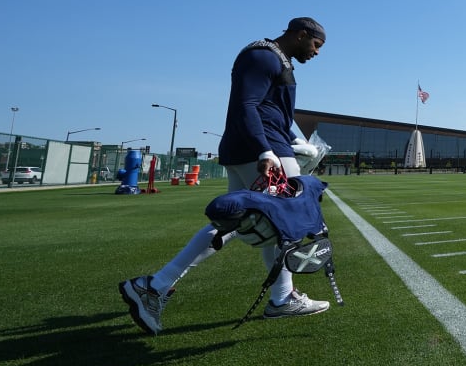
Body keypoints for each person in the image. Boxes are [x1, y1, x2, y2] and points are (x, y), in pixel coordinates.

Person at [120, 17, 329, 335]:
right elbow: (247, 105)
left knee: (234, 223)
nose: (316, 53)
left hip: (255, 147)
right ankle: (282, 298)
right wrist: (265, 150)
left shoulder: (274, 58)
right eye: (316, 45)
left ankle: (156, 285)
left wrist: (293, 139)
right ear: (301, 35)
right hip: (260, 151)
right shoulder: (263, 55)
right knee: (284, 221)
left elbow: (271, 110)